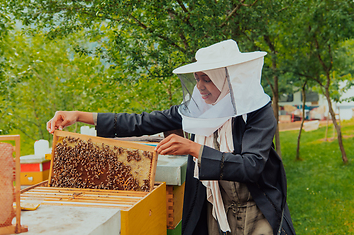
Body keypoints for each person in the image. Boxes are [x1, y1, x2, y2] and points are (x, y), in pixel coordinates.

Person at [47, 39, 296, 235]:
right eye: (197, 78)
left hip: (256, 210)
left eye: (207, 79)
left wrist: (194, 149)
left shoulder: (258, 113)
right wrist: (79, 115)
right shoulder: (196, 110)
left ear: (227, 79)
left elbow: (251, 166)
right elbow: (142, 121)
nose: (199, 86)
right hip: (213, 209)